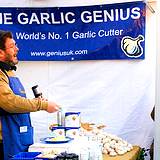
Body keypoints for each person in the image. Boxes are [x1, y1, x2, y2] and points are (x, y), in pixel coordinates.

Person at [0, 29, 60, 160]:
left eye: (15, 45)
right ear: (0, 53)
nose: (17, 49)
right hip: (6, 143)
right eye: (11, 46)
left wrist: (35, 101)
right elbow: (10, 102)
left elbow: (18, 102)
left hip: (19, 139)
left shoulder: (9, 73)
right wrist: (42, 104)